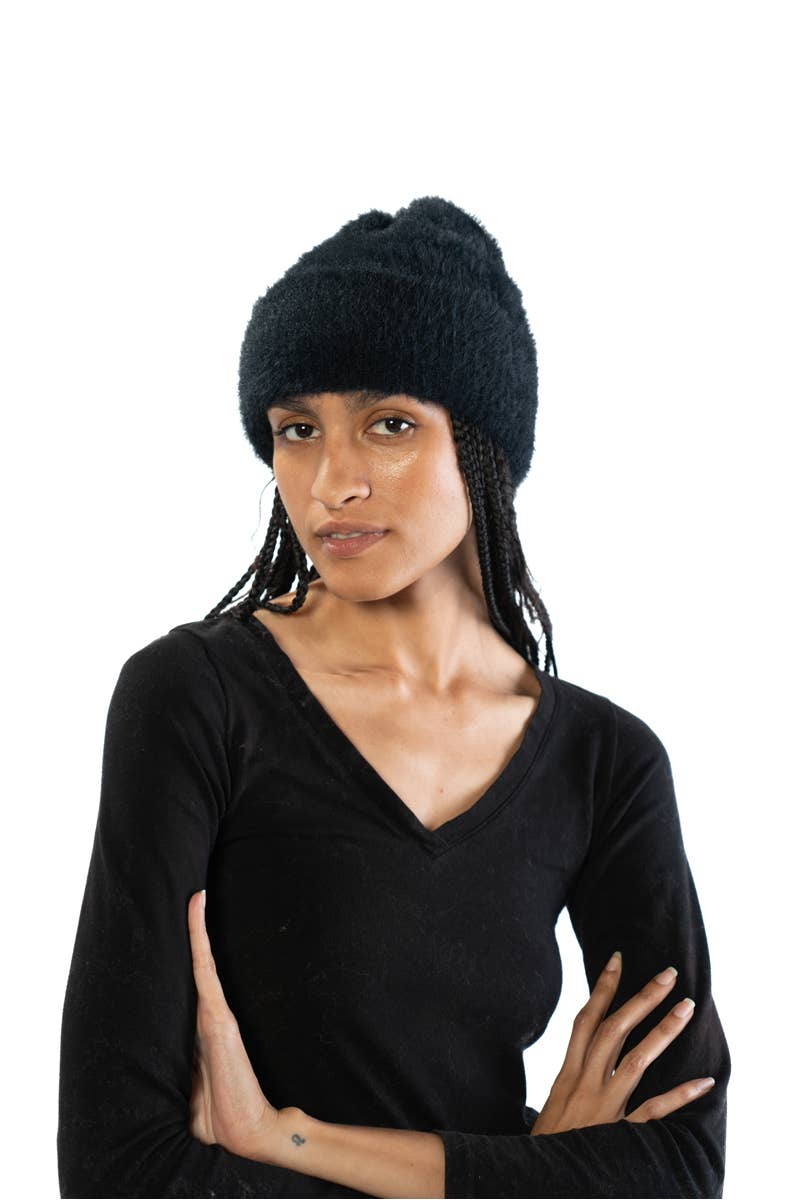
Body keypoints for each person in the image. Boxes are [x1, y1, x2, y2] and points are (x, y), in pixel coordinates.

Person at [57, 197, 731, 1198]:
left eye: (389, 425)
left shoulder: (605, 763)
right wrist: (530, 1174)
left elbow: (678, 1170)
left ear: (481, 445)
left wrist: (287, 1141)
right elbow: (117, 1171)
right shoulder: (195, 699)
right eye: (296, 430)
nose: (331, 482)